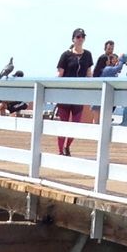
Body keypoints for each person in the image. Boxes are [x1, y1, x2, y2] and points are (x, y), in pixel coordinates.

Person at [54, 27, 93, 156]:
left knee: (76, 124)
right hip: (65, 95)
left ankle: (67, 146)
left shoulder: (87, 55)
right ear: (73, 39)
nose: (80, 39)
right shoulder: (66, 55)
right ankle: (60, 150)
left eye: (82, 37)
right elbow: (60, 74)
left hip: (79, 95)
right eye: (78, 37)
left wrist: (91, 89)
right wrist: (54, 91)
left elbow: (89, 74)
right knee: (63, 124)